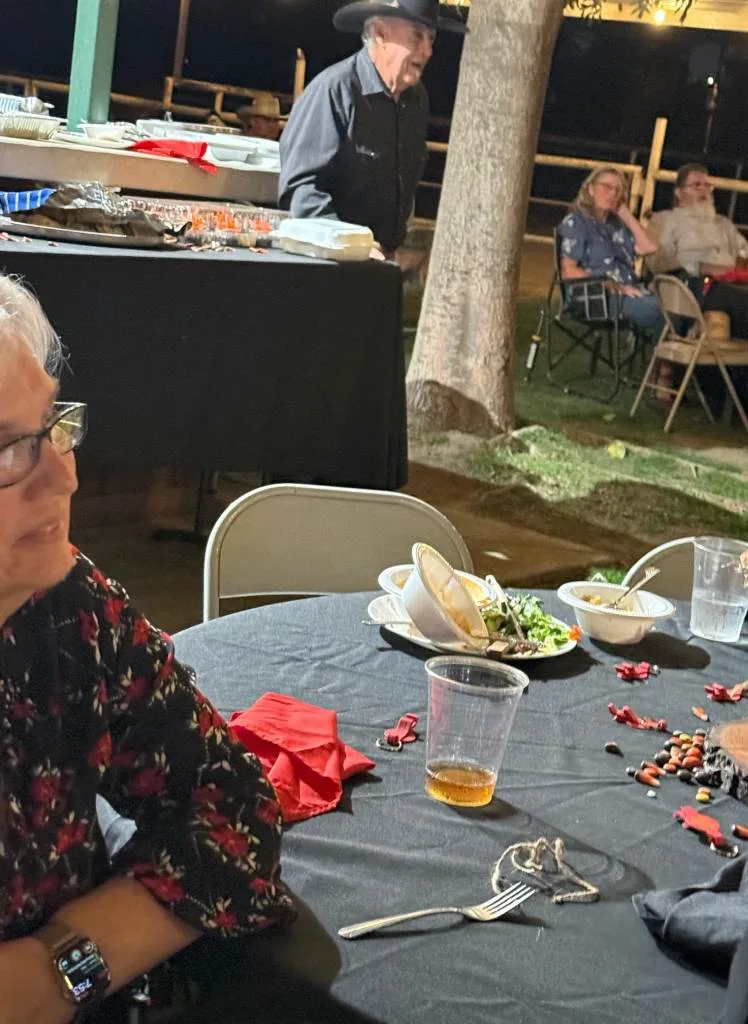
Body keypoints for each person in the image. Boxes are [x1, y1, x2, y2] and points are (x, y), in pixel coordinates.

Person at [0, 274, 293, 1022]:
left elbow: (233, 810)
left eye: (53, 427)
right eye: (7, 453)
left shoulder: (64, 607)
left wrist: (53, 973)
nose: (65, 475)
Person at [278, 0, 466, 257]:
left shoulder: (416, 100)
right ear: (380, 34)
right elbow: (301, 190)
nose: (428, 50)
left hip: (381, 261)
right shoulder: (333, 91)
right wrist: (352, 247)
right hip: (330, 263)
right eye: (417, 35)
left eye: (431, 38)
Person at [558, 166, 664, 338]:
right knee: (661, 312)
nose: (613, 193)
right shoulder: (577, 222)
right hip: (595, 296)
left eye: (618, 190)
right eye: (606, 187)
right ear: (591, 189)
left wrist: (626, 214)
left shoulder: (616, 224)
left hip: (629, 292)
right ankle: (666, 356)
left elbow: (650, 247)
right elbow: (568, 271)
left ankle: (669, 354)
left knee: (677, 308)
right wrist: (614, 286)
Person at [648, 163, 748, 283]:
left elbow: (747, 255)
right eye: (697, 185)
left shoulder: (724, 224)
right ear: (679, 193)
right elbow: (657, 262)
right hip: (686, 284)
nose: (704, 190)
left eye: (707, 185)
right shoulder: (664, 220)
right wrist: (700, 267)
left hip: (730, 284)